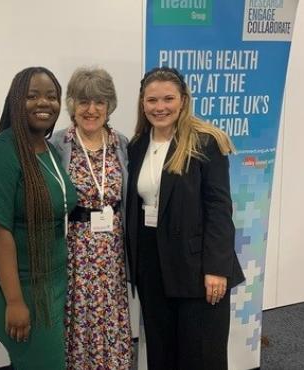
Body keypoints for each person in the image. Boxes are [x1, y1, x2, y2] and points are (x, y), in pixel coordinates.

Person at [125, 66, 245, 370]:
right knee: (162, 352)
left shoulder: (205, 142)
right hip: (153, 264)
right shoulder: (137, 145)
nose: (160, 107)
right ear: (142, 103)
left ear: (183, 100)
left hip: (197, 267)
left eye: (168, 98)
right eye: (152, 100)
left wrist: (217, 269)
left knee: (201, 356)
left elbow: (220, 210)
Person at [0, 66, 77, 370]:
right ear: (16, 101)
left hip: (51, 280)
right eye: (32, 96)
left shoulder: (48, 149)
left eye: (51, 96)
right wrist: (15, 301)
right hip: (17, 285)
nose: (44, 103)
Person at [50, 67, 133, 369]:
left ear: (109, 105)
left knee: (110, 312)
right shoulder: (58, 143)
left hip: (111, 247)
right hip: (75, 246)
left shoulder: (121, 144)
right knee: (78, 315)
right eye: (83, 101)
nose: (91, 109)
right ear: (72, 104)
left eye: (99, 102)